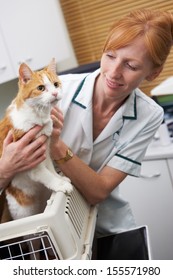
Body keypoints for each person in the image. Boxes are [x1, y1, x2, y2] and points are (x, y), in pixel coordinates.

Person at [0, 9, 173, 236]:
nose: (113, 72)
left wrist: (57, 144)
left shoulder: (149, 115)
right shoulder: (57, 90)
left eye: (131, 66)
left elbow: (98, 192)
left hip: (105, 225)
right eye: (110, 56)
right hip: (49, 220)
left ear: (153, 73)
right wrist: (6, 167)